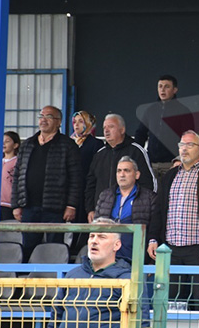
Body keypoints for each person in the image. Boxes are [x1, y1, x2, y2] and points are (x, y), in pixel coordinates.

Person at [43, 217, 149, 328]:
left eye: (102, 236)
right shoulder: (72, 275)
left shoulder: (129, 278)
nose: (94, 241)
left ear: (116, 245)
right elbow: (56, 320)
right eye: (92, 236)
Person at [152, 130, 199, 310]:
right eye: (181, 145)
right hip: (171, 248)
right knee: (172, 300)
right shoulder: (170, 176)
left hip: (198, 249)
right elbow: (158, 210)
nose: (184, 149)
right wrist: (153, 238)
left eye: (189, 145)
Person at [11, 106, 82, 262]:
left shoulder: (68, 145)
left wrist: (71, 205)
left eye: (49, 116)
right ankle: (26, 278)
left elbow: (76, 178)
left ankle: (53, 277)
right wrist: (16, 204)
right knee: (28, 247)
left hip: (56, 208)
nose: (43, 119)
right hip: (29, 207)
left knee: (54, 247)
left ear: (58, 122)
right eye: (41, 116)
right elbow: (17, 175)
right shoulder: (28, 144)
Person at [85, 114, 156, 223]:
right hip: (103, 214)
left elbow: (149, 183)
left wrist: (142, 208)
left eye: (111, 127)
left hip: (131, 216)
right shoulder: (99, 154)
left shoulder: (136, 151)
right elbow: (90, 184)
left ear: (122, 130)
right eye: (104, 128)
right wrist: (90, 209)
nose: (106, 131)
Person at [94, 156, 160, 261]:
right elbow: (95, 227)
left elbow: (154, 230)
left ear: (137, 175)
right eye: (119, 171)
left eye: (126, 170)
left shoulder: (149, 198)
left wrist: (149, 260)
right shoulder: (105, 195)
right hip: (108, 256)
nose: (122, 174)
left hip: (135, 257)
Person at [135, 74, 195, 183]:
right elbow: (140, 135)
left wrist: (180, 160)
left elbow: (189, 139)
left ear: (174, 90)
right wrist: (137, 158)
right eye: (160, 86)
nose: (162, 90)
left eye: (167, 86)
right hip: (151, 165)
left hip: (172, 164)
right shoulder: (150, 110)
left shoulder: (183, 111)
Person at [70, 111, 105, 252]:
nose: (76, 125)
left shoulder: (96, 144)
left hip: (86, 190)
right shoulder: (69, 143)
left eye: (81, 121)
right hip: (71, 191)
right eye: (75, 122)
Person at [0, 131, 20, 221]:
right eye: (2, 141)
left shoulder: (18, 162)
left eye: (7, 141)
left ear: (15, 145)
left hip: (9, 205)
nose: (3, 144)